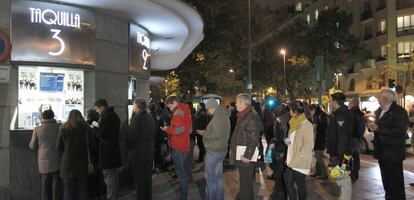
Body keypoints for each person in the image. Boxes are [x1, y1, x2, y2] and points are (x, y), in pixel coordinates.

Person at [368, 89, 408, 200]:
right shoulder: (380, 111)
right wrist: (373, 128)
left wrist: (379, 128)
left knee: (395, 183)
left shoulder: (399, 111)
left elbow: (400, 132)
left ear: (386, 98)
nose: (377, 99)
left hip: (393, 153)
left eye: (379, 97)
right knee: (387, 182)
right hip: (382, 152)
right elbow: (381, 128)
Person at [229, 93, 262, 200]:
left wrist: (247, 155)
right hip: (242, 154)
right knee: (244, 184)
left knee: (246, 185)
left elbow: (253, 138)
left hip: (245, 156)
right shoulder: (244, 115)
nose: (236, 104)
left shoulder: (251, 116)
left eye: (237, 102)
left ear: (243, 103)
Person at [197, 99, 230, 200]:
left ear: (212, 107)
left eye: (208, 110)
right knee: (218, 177)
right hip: (221, 149)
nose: (208, 112)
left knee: (211, 179)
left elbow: (216, 134)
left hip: (214, 150)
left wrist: (204, 134)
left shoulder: (218, 117)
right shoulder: (223, 115)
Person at [160, 96, 192, 200]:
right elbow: (189, 129)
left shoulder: (178, 112)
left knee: (181, 173)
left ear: (174, 102)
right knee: (184, 172)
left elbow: (179, 129)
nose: (170, 109)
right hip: (185, 145)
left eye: (170, 106)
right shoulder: (186, 109)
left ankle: (183, 196)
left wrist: (167, 129)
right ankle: (185, 195)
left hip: (178, 146)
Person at [56, 110, 92, 200]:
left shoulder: (63, 129)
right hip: (83, 165)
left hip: (67, 165)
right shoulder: (87, 129)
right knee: (83, 191)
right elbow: (92, 146)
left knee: (68, 192)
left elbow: (58, 148)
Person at [126, 98, 156, 200]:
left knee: (139, 178)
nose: (133, 107)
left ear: (137, 106)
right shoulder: (150, 117)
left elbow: (131, 136)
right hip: (150, 150)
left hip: (139, 152)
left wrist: (128, 145)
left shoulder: (137, 118)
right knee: (147, 178)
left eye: (134, 105)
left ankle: (141, 197)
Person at [284, 101, 314, 200]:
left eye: (290, 110)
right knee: (288, 182)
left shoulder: (307, 124)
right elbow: (294, 139)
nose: (289, 112)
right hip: (291, 158)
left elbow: (309, 144)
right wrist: (288, 141)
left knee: (300, 185)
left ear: (295, 111)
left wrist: (299, 156)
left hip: (300, 161)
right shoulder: (293, 122)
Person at [29, 109, 62, 200]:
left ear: (42, 117)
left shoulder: (37, 129)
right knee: (56, 183)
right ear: (53, 116)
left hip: (43, 161)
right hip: (56, 159)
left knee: (45, 183)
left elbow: (32, 146)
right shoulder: (59, 127)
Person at [93, 99, 122, 200]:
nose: (97, 111)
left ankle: (111, 197)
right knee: (113, 176)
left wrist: (94, 127)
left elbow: (102, 133)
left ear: (102, 107)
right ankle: (114, 196)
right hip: (112, 150)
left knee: (109, 177)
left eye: (97, 109)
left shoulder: (108, 117)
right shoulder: (113, 115)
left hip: (107, 151)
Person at [327, 92, 354, 200]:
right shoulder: (340, 113)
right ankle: (343, 197)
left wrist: (338, 154)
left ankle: (345, 198)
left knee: (344, 178)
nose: (330, 103)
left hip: (342, 151)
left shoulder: (341, 114)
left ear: (334, 102)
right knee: (339, 176)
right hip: (342, 150)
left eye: (331, 101)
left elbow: (342, 135)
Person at [269, 105, 289, 200]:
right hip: (278, 150)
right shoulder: (278, 122)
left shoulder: (286, 122)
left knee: (279, 175)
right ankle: (279, 193)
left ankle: (282, 195)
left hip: (283, 152)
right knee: (277, 174)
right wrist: (273, 142)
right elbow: (276, 136)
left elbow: (285, 139)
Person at [85, 109, 103, 200]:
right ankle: (97, 194)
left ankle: (91, 194)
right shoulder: (98, 125)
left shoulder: (86, 126)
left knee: (90, 177)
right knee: (97, 176)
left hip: (90, 155)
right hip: (97, 154)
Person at [309, 104, 328, 180]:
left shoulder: (318, 115)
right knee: (317, 156)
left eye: (311, 112)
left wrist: (316, 126)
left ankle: (324, 173)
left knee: (318, 156)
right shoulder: (321, 114)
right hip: (320, 138)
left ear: (313, 110)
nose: (311, 113)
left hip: (319, 138)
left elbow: (320, 127)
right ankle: (318, 172)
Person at [348, 98, 365, 183]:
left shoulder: (351, 113)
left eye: (350, 103)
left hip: (351, 138)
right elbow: (362, 128)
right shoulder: (360, 114)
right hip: (357, 138)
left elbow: (349, 127)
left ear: (353, 104)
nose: (348, 104)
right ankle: (356, 173)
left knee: (349, 156)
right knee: (356, 156)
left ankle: (351, 174)